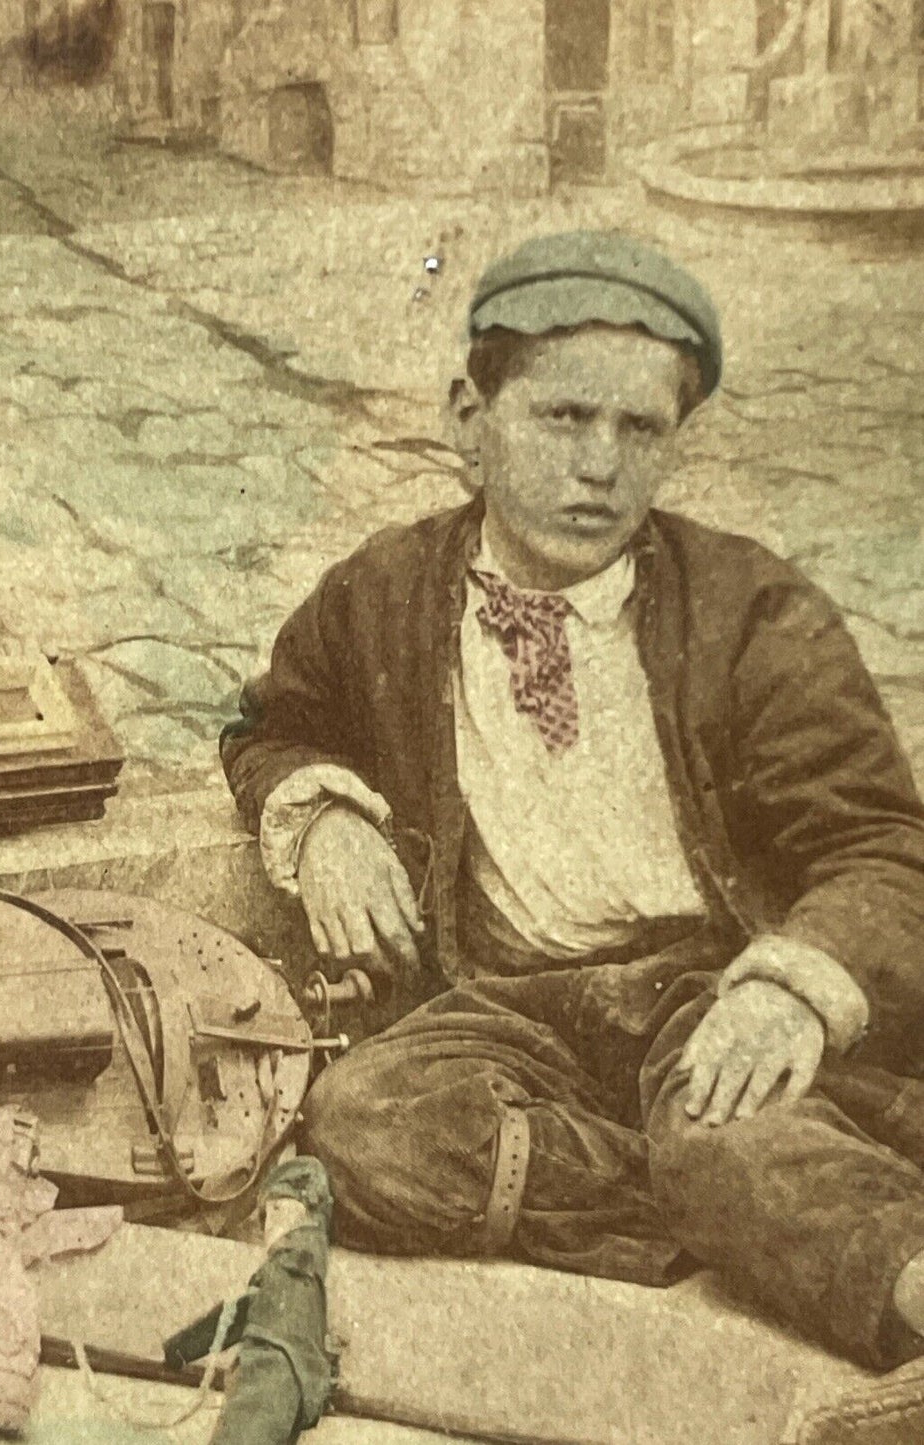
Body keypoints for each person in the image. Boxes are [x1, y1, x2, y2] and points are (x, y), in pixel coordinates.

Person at [220, 230, 924, 1370]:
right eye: (560, 418)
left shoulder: (749, 610)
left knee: (731, 1133)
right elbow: (274, 722)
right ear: (467, 419)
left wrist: (793, 989)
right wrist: (328, 818)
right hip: (511, 1008)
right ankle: (727, 1202)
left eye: (637, 429)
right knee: (362, 1121)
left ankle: (826, 1235)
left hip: (708, 987)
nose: (597, 465)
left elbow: (882, 849)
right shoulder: (383, 593)